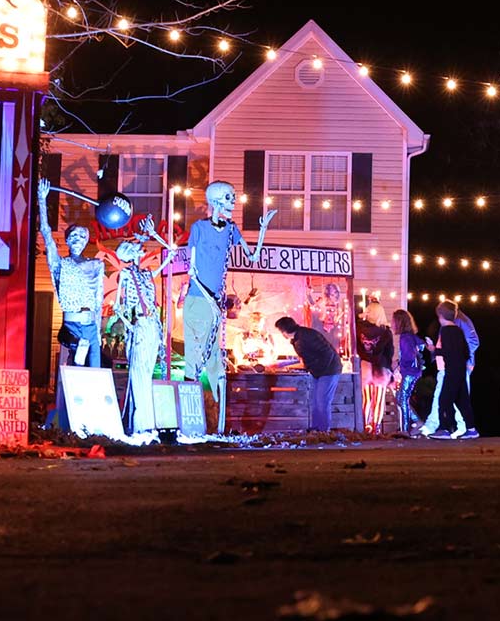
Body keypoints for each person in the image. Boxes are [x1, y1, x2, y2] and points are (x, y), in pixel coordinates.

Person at [175, 181, 275, 433]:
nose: (233, 203)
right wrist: (209, 296)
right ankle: (189, 421)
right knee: (193, 359)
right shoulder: (199, 228)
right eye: (229, 198)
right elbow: (192, 269)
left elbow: (251, 257)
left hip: (215, 303)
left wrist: (262, 231)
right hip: (199, 300)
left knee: (216, 362)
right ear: (217, 201)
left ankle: (216, 425)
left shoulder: (231, 229)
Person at [113, 214, 176, 437]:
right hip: (139, 325)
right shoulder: (126, 275)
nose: (141, 251)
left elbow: (172, 251)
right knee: (139, 374)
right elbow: (117, 307)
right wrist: (130, 326)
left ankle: (147, 423)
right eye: (136, 250)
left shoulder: (148, 274)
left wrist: (154, 233)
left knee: (148, 371)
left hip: (153, 326)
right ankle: (141, 424)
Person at [36, 179, 106, 366]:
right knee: (76, 370)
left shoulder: (96, 265)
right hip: (72, 324)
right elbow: (46, 234)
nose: (78, 239)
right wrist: (42, 201)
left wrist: (98, 329)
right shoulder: (61, 264)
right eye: (74, 235)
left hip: (90, 325)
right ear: (67, 240)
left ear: (86, 241)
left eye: (82, 236)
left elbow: (99, 297)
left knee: (94, 372)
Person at [276, 315, 343, 433]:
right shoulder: (299, 337)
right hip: (318, 371)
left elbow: (326, 352)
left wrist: (318, 369)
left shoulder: (305, 337)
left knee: (322, 401)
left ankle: (323, 431)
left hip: (328, 370)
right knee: (315, 401)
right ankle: (316, 428)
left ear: (284, 331)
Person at [430, 300, 478, 439]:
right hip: (461, 369)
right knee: (463, 401)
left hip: (452, 371)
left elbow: (447, 352)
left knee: (444, 400)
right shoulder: (459, 330)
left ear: (441, 316)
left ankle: (446, 428)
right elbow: (465, 351)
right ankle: (471, 428)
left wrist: (435, 350)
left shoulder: (445, 331)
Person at [356, 297, 395, 434]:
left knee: (366, 399)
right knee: (378, 399)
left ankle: (365, 425)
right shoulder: (386, 332)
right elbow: (390, 352)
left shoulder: (358, 328)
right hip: (381, 367)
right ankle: (376, 427)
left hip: (365, 366)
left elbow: (357, 349)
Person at [390, 308, 429, 437]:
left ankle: (406, 428)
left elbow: (409, 356)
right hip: (414, 372)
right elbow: (421, 346)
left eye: (393, 321)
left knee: (402, 399)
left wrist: (399, 365)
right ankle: (416, 422)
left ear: (399, 323)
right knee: (402, 398)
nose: (392, 324)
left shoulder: (405, 338)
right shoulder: (411, 337)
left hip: (410, 372)